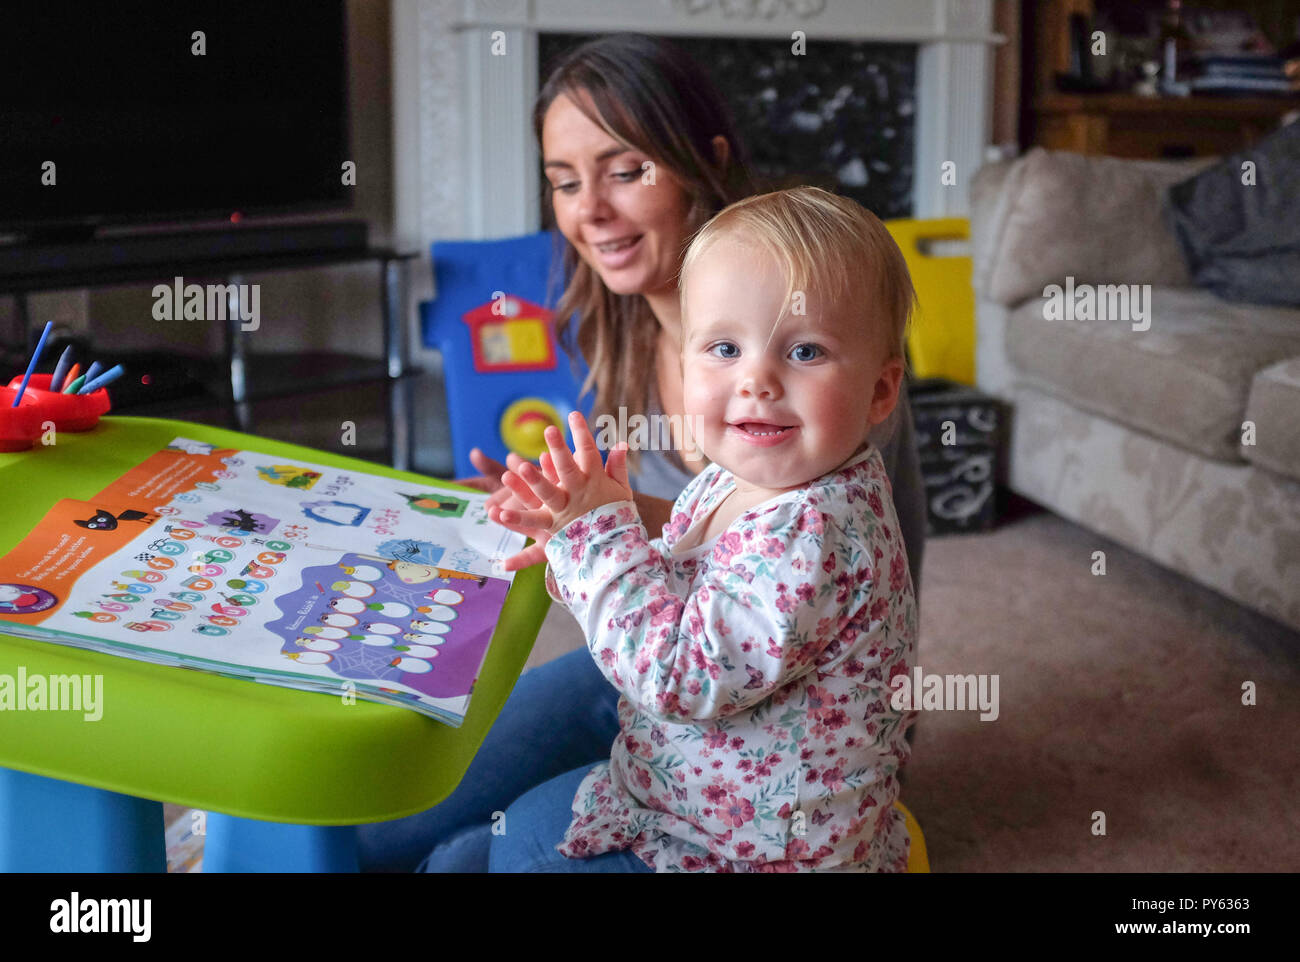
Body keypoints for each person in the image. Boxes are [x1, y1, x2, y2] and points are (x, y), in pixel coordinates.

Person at [354, 32, 924, 872]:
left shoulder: (827, 394)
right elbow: (710, 534)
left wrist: (600, 542)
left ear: (703, 165)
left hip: (761, 747)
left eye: (625, 171)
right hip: (687, 676)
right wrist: (583, 510)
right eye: (563, 182)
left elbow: (766, 605)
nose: (589, 210)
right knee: (406, 821)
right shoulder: (617, 329)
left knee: (509, 852)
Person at [490, 186, 917, 871]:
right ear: (683, 362)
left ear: (879, 391)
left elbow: (677, 676)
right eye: (724, 347)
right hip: (695, 782)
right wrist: (578, 549)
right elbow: (673, 590)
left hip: (751, 851)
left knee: (520, 853)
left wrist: (601, 541)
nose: (757, 380)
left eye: (805, 352)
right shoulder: (741, 474)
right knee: (495, 835)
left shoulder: (812, 530)